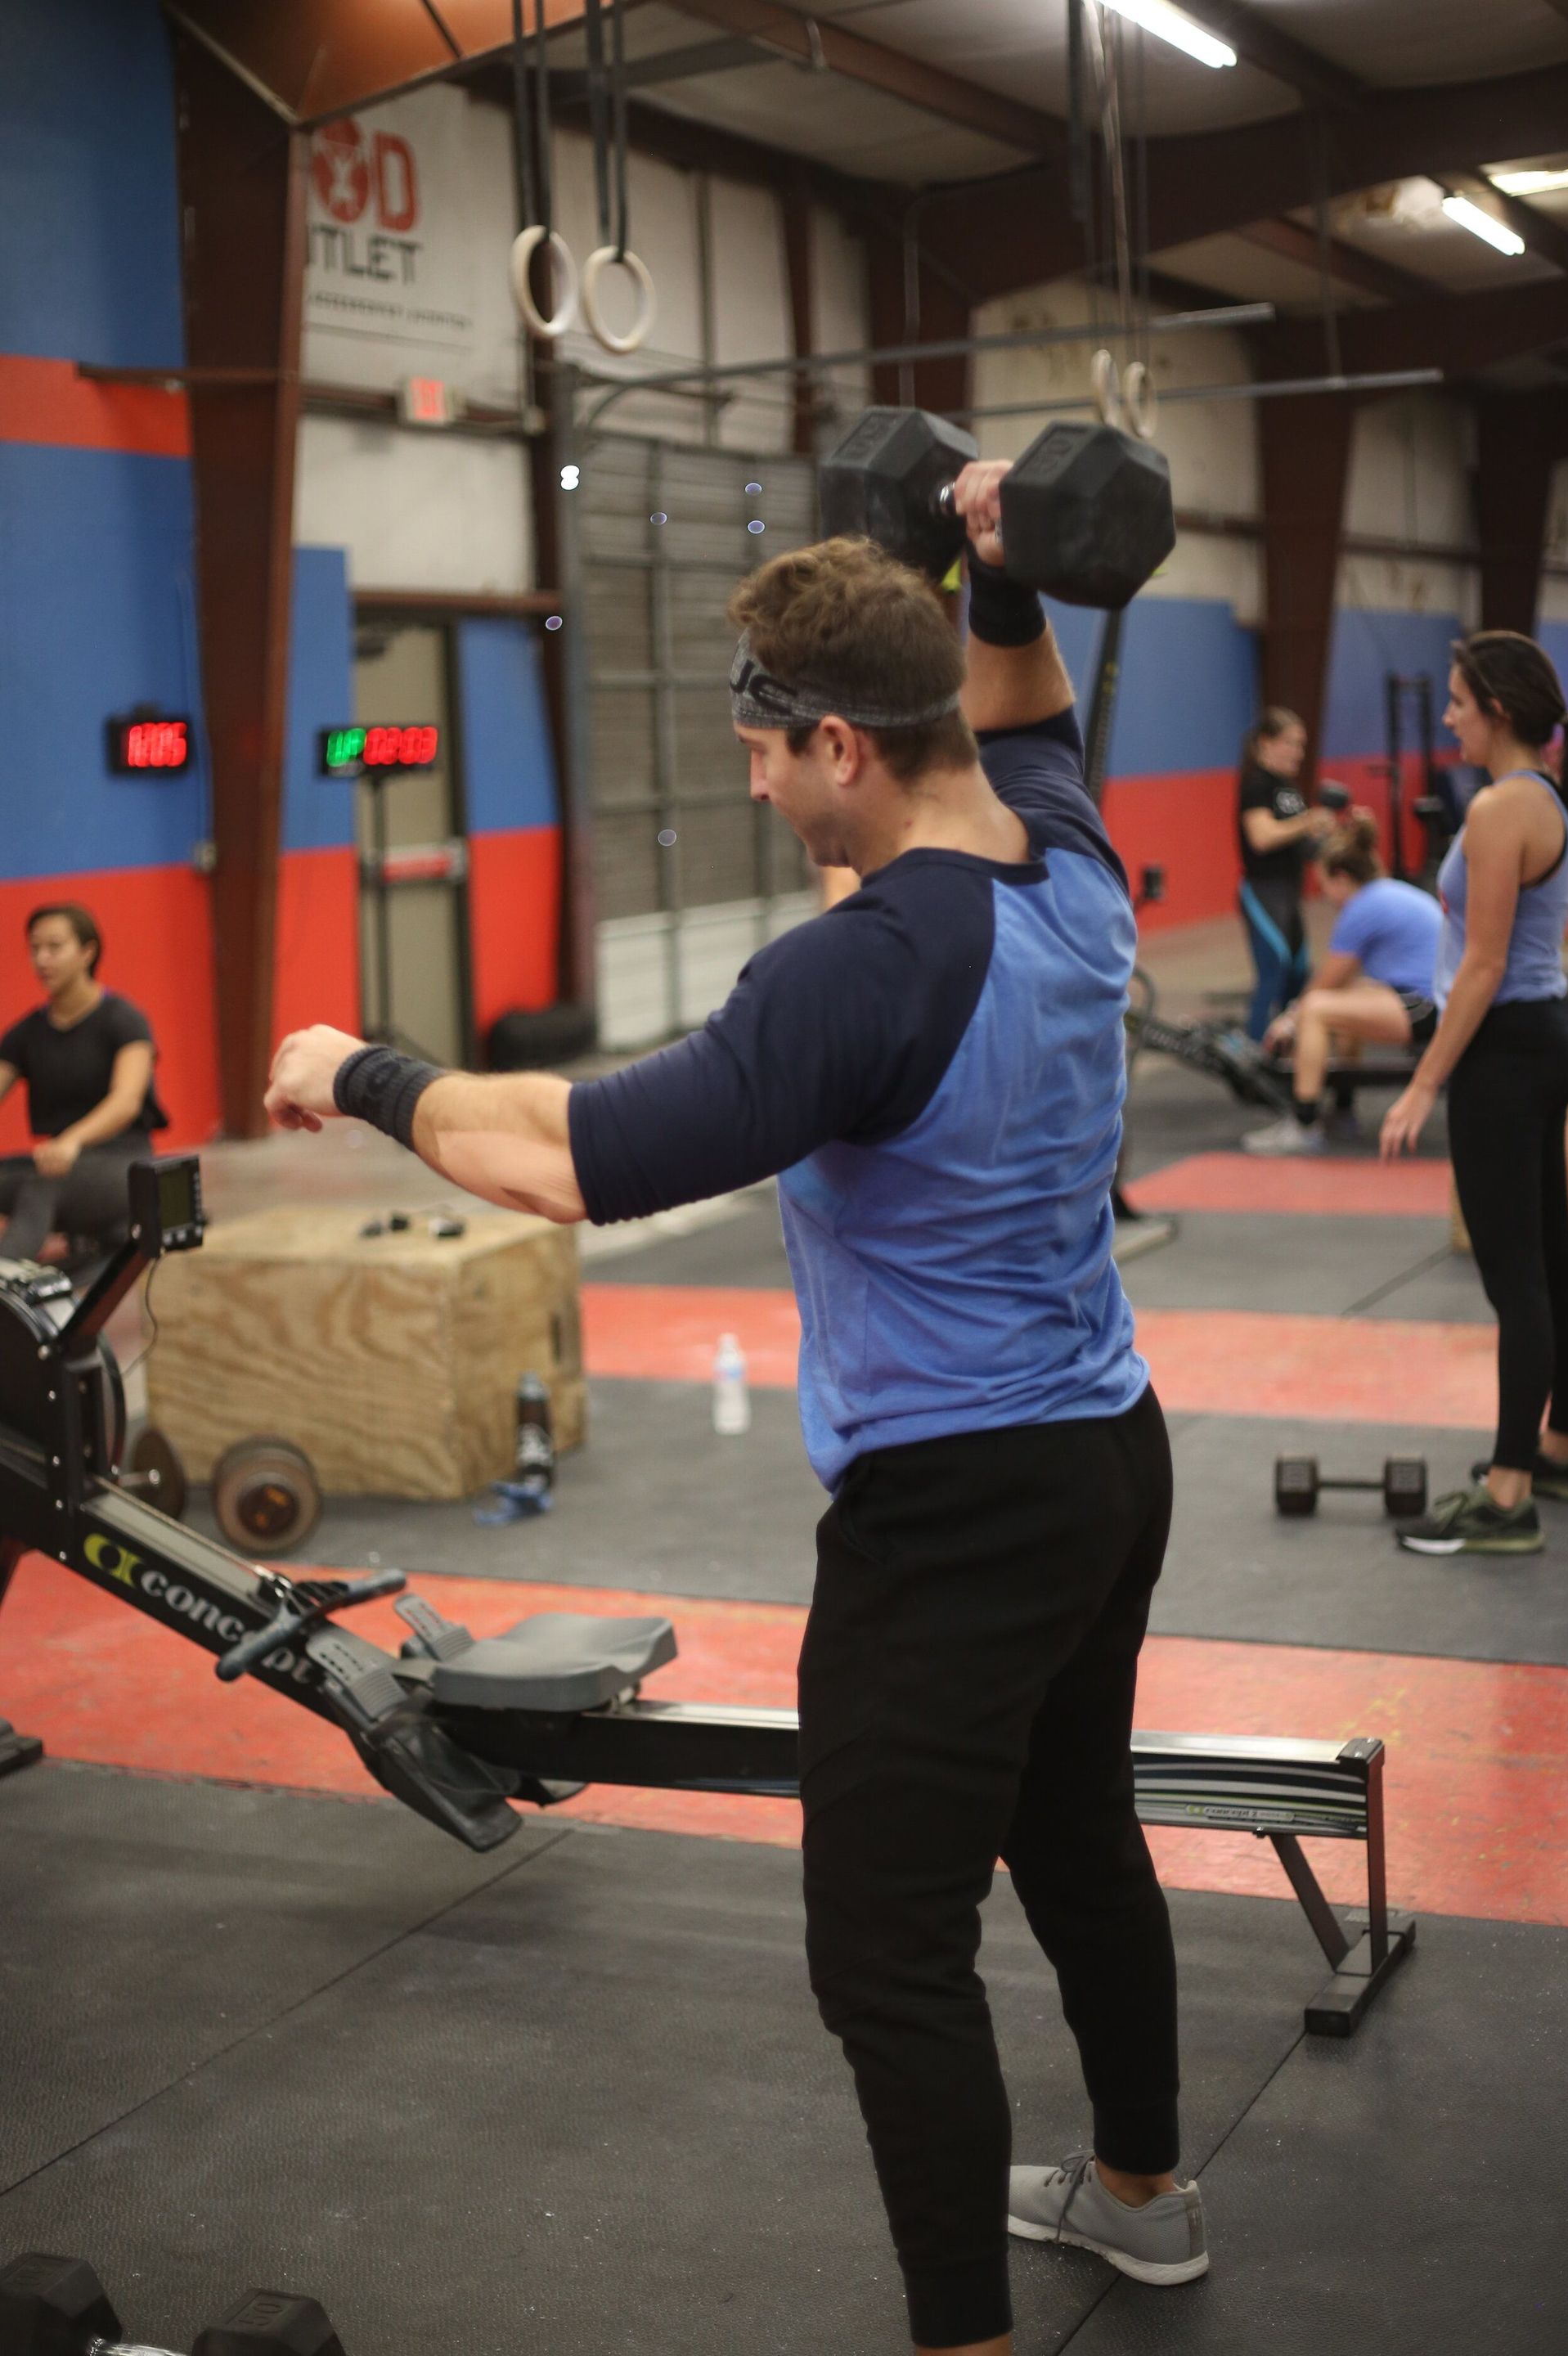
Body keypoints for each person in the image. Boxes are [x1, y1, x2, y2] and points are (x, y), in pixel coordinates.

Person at [267, 499, 1208, 2355]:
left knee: (881, 1947)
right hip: (1110, 1447)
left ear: (838, 741)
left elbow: (562, 1163)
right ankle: (1143, 2195)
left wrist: (358, 1069)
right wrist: (996, 563)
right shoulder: (1067, 857)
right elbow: (1022, 701)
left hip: (952, 1511)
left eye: (766, 757)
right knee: (1080, 1831)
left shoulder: (856, 971)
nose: (766, 793)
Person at [1382, 631, 1568, 1557]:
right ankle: (1557, 1444)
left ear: (1497, 710)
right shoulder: (1546, 800)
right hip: (1544, 1036)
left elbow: (1484, 963)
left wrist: (1424, 1082)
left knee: (1516, 1274)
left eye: (1458, 702)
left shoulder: (1501, 808)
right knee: (1553, 1257)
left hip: (1506, 1049)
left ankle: (1507, 1497)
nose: (1449, 717)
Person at [1242, 809, 1443, 1155]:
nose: (1324, 895)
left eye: (1323, 884)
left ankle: (1304, 1125)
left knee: (1317, 1010)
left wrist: (1289, 1020)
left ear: (1341, 878)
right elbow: (1343, 983)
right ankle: (1344, 1111)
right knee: (1346, 1000)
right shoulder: (1384, 894)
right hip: (1427, 1001)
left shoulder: (1362, 907)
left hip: (1429, 1008)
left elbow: (1324, 985)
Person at [0, 905, 168, 1266]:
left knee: (41, 1186)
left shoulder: (125, 1020)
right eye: (35, 949)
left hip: (121, 1164)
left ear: (87, 952)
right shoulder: (27, 1033)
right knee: (40, 1178)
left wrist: (72, 1140)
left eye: (55, 947)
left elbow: (125, 1102)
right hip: (59, 1162)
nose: (42, 959)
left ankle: (5, 1290)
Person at [1237, 708, 1334, 1041]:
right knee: (1274, 969)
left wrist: (1325, 836)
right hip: (1264, 891)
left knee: (1298, 974)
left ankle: (1289, 1052)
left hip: (1290, 894)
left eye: (1302, 745)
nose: (1299, 753)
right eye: (1291, 744)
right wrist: (1309, 821)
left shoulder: (1289, 789)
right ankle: (1255, 1050)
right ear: (1266, 744)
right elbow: (1261, 838)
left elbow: (1299, 842)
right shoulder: (1257, 784)